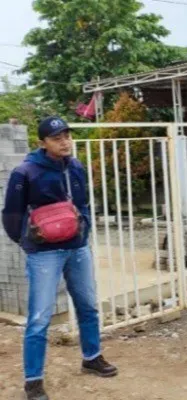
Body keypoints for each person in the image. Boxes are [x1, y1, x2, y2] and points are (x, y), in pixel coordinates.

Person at [2, 116, 118, 400]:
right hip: (44, 253)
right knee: (40, 318)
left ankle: (92, 356)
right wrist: (27, 242)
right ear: (42, 143)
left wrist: (84, 230)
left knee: (88, 306)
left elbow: (83, 203)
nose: (64, 141)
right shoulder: (25, 172)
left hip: (77, 248)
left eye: (66, 135)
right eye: (57, 138)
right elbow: (11, 213)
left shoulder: (75, 166)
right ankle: (33, 380)